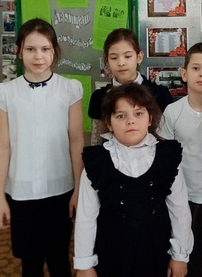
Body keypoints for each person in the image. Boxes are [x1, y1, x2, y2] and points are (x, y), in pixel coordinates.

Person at [0, 18, 84, 277]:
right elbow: (2, 146)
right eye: (30, 49)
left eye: (45, 49)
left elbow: (76, 140)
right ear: (19, 51)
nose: (38, 56)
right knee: (30, 263)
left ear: (55, 51)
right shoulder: (5, 93)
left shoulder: (69, 89)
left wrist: (79, 190)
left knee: (59, 259)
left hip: (61, 189)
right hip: (21, 191)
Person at [75, 83, 193, 277]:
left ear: (150, 119)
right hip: (112, 251)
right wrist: (84, 264)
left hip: (157, 249)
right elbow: (86, 217)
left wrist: (180, 256)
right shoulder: (97, 162)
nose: (130, 121)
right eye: (121, 116)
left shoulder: (167, 158)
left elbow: (180, 210)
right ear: (109, 123)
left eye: (138, 114)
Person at [156, 43, 202, 277]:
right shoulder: (172, 112)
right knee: (190, 263)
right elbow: (165, 158)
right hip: (184, 199)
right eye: (196, 68)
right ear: (184, 74)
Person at [88, 28, 172, 145]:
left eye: (127, 56)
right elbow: (97, 142)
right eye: (114, 58)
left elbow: (167, 139)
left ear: (139, 57)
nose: (121, 63)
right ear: (107, 61)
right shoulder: (99, 97)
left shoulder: (159, 94)